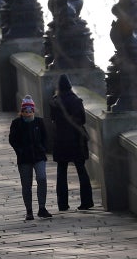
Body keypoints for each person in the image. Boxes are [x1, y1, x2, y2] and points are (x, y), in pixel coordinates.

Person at [50, 74, 94, 211]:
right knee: (81, 170)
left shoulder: (55, 102)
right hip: (76, 140)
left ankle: (62, 204)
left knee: (61, 172)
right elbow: (82, 120)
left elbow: (52, 118)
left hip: (61, 140)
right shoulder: (76, 101)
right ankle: (86, 202)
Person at [8, 95, 52, 220]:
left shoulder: (39, 121)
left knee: (42, 178)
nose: (28, 113)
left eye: (30, 111)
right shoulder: (16, 123)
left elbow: (45, 137)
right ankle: (29, 211)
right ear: (22, 111)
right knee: (26, 184)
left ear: (33, 110)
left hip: (39, 156)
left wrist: (43, 149)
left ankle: (42, 208)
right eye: (26, 111)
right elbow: (12, 140)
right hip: (24, 158)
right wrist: (20, 151)